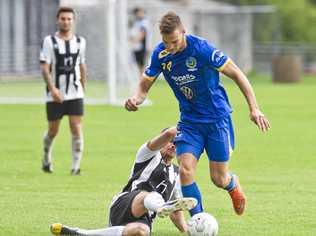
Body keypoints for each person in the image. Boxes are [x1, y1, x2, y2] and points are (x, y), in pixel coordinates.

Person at [125, 11, 271, 216]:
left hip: (216, 119)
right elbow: (143, 86)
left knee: (218, 178)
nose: (171, 47)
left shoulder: (202, 50)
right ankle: (199, 218)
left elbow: (237, 74)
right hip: (189, 122)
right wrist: (136, 99)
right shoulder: (161, 54)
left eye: (175, 41)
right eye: (166, 42)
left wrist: (254, 108)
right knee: (185, 170)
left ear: (184, 31)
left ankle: (232, 184)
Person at [50, 127, 197, 236]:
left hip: (145, 217)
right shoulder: (148, 154)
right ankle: (160, 206)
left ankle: (82, 233)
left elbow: (176, 212)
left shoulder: (177, 174)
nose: (173, 145)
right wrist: (190, 124)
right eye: (170, 142)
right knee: (150, 196)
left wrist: (188, 231)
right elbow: (168, 133)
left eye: (177, 143)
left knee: (141, 232)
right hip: (126, 202)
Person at [39, 7, 87, 175]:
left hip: (75, 93)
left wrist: (83, 87)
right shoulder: (49, 41)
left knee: (76, 127)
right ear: (57, 20)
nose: (66, 21)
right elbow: (45, 67)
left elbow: (82, 65)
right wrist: (52, 89)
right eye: (63, 18)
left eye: (69, 19)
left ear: (73, 21)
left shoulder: (80, 42)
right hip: (55, 94)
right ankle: (46, 158)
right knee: (53, 130)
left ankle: (76, 167)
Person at [130, 7, 150, 75]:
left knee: (142, 64)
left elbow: (143, 33)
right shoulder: (136, 22)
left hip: (143, 47)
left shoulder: (144, 22)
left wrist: (135, 40)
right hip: (136, 47)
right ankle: (140, 79)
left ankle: (143, 79)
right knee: (138, 64)